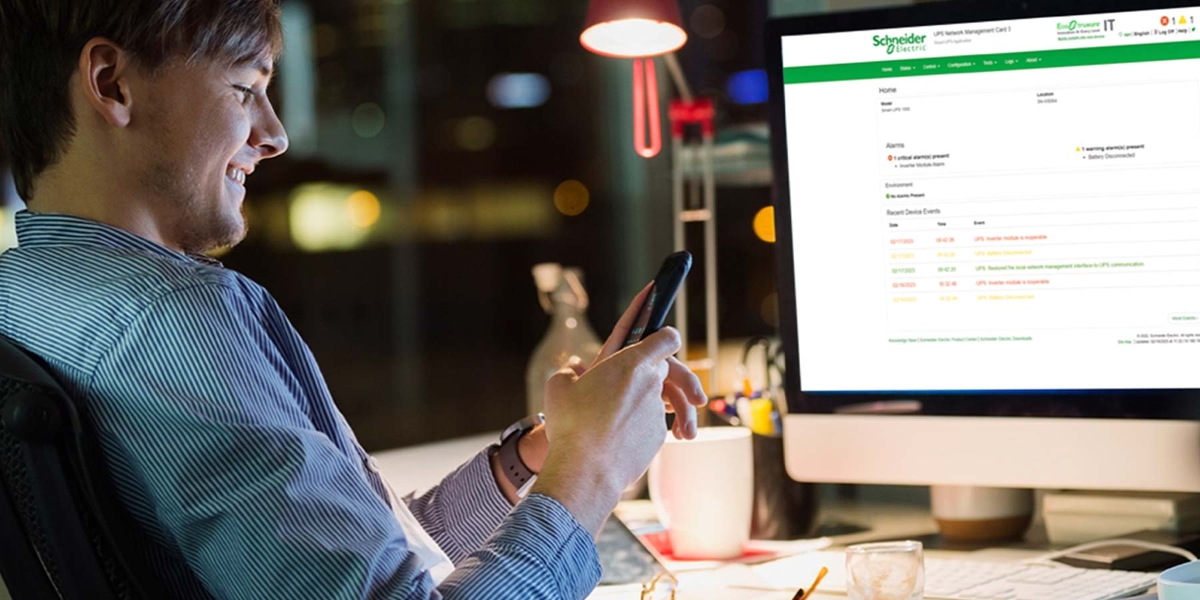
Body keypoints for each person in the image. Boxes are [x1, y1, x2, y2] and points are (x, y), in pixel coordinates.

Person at [0, 1, 708, 598]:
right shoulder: (174, 321)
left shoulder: (26, 295)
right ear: (111, 83)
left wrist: (535, 458)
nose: (274, 136)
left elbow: (365, 569)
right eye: (245, 89)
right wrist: (591, 474)